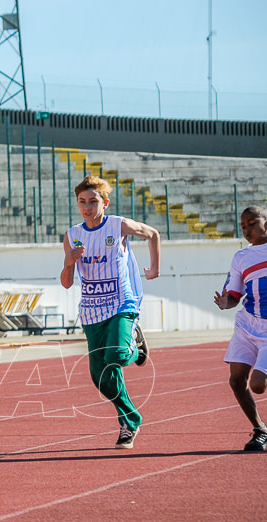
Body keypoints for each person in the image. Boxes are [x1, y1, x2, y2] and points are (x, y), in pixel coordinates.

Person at [60, 175, 160, 449]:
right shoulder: (72, 235)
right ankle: (129, 421)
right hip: (92, 312)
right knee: (100, 376)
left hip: (121, 303)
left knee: (115, 355)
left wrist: (154, 267)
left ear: (104, 202)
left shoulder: (118, 226)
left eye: (93, 202)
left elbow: (152, 233)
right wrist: (68, 264)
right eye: (82, 202)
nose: (87, 208)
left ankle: (134, 346)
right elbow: (67, 283)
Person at [213, 206, 267, 451]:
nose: (247, 230)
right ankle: (260, 430)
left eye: (252, 223)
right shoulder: (241, 257)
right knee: (236, 380)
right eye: (243, 226)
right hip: (247, 324)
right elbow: (234, 293)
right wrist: (227, 302)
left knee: (258, 384)